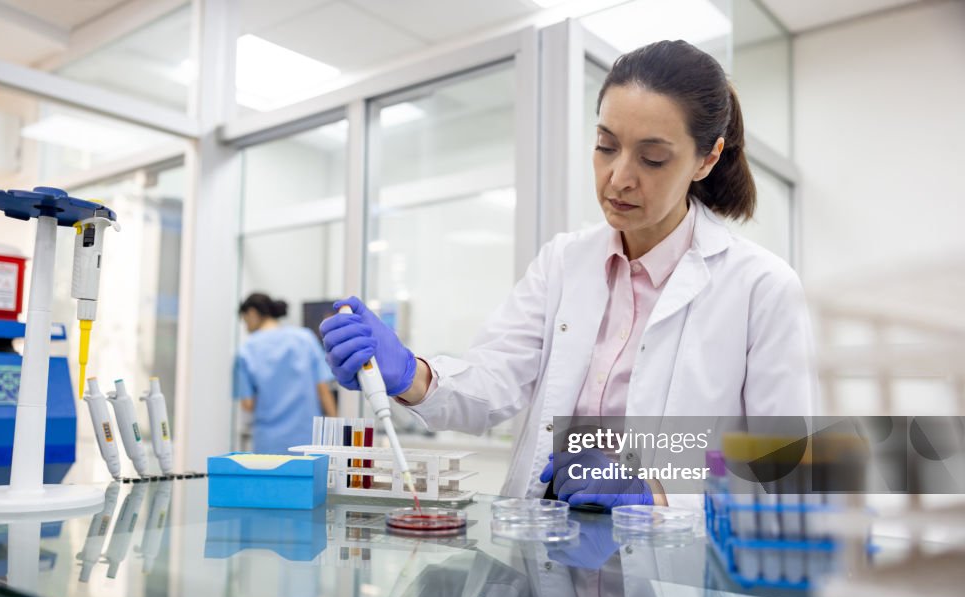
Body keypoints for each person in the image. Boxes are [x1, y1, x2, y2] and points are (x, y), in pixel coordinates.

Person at [319, 40, 816, 508]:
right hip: (547, 560)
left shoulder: (761, 287)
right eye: (606, 146)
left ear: (706, 159)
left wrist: (657, 496)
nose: (619, 177)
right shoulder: (563, 262)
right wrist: (412, 374)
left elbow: (789, 471)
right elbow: (495, 384)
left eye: (653, 157)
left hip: (677, 579)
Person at [235, 292, 337, 454]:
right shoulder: (305, 338)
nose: (246, 326)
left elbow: (247, 404)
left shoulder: (246, 350)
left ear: (252, 313)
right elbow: (323, 390)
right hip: (307, 439)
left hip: (269, 442)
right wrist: (334, 432)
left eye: (245, 320)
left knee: (270, 478)